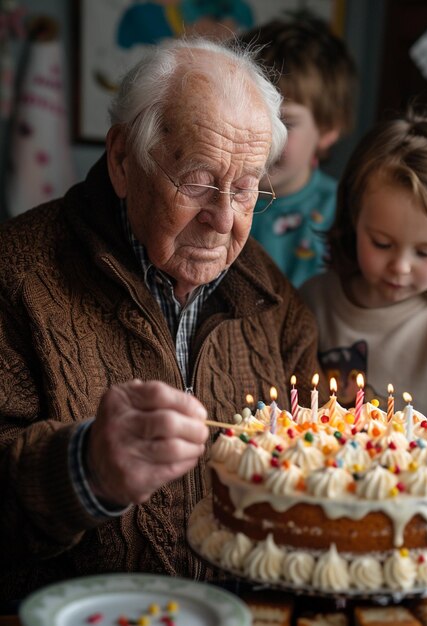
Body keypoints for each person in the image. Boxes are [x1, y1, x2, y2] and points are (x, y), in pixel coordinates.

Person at [0, 37, 327, 605]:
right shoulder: (16, 278)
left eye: (247, 187)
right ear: (124, 159)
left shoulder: (271, 297)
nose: (224, 218)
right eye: (198, 179)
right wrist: (85, 470)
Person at [300, 114, 427, 447]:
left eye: (426, 252)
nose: (401, 267)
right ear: (353, 218)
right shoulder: (315, 301)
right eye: (381, 243)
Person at [237, 14, 357, 288]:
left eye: (284, 122)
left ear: (328, 128)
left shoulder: (344, 214)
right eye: (250, 116)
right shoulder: (213, 197)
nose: (263, 139)